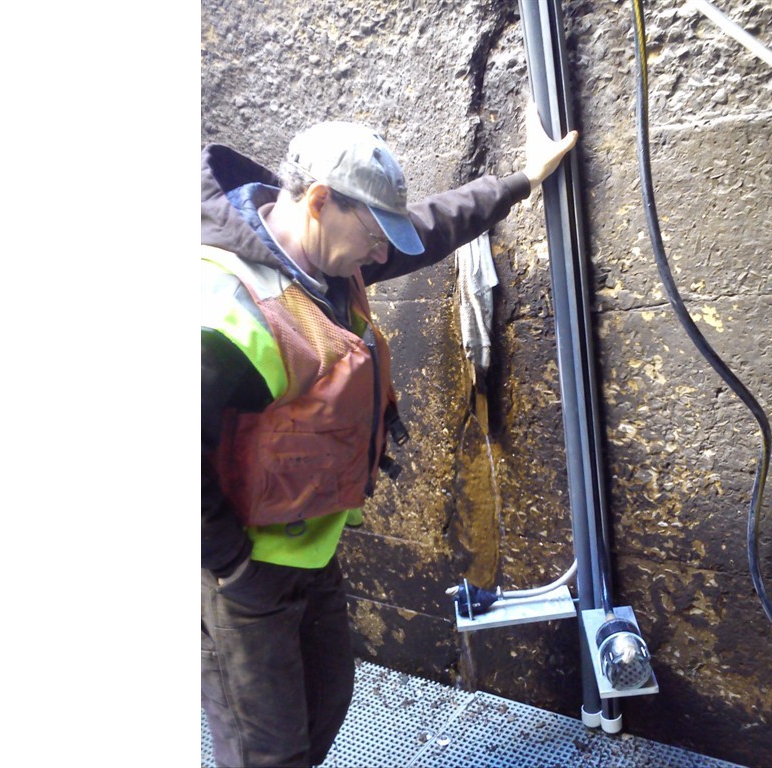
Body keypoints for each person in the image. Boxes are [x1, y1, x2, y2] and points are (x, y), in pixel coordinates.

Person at [201, 101, 577, 768]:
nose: (381, 255)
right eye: (376, 235)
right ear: (320, 201)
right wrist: (231, 563)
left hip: (311, 552)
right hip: (244, 572)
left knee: (324, 712)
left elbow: (431, 227)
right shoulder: (219, 306)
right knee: (269, 752)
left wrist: (522, 181)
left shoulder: (326, 257)